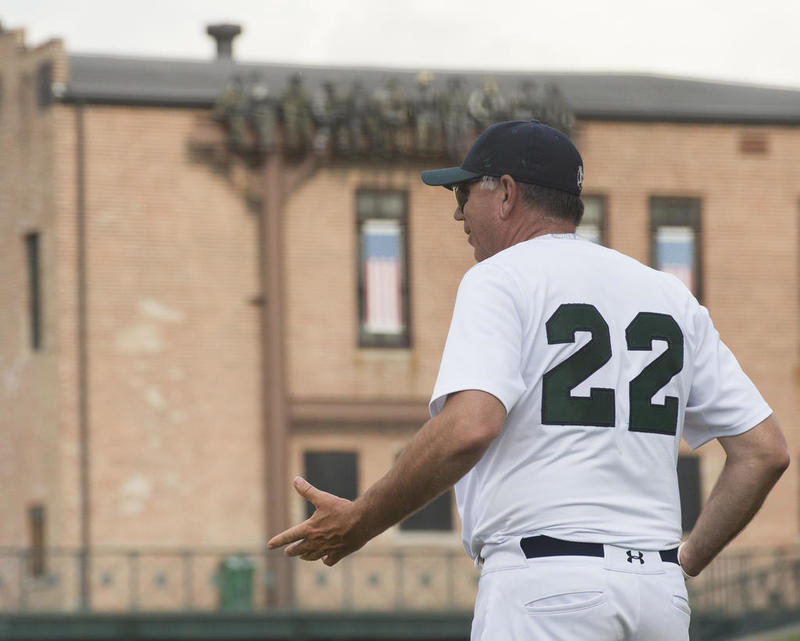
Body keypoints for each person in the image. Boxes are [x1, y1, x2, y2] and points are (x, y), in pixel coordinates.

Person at [268, 120, 789, 640]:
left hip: (547, 587)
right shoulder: (669, 295)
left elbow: (469, 427)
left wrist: (360, 520)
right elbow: (763, 452)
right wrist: (689, 556)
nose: (456, 210)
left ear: (507, 193)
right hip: (658, 594)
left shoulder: (501, 276)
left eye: (464, 190)